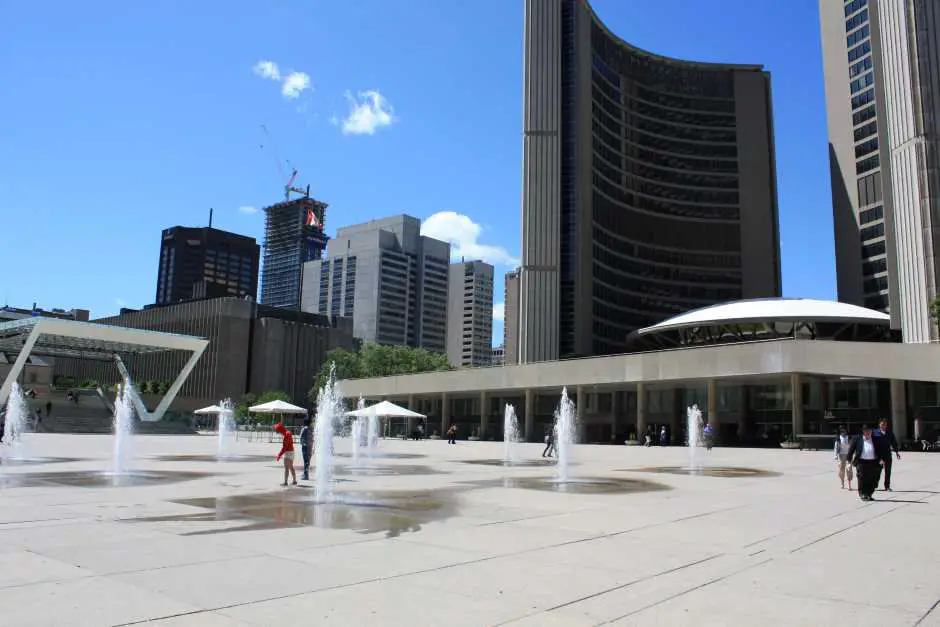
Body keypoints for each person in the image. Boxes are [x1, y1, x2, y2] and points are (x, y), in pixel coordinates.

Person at [847, 424, 881, 501]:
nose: (868, 432)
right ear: (863, 432)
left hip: (873, 462)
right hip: (861, 462)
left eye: (869, 431)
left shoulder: (875, 439)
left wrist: (881, 459)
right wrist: (849, 460)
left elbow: (880, 450)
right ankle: (862, 493)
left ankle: (869, 494)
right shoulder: (858, 439)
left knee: (872, 479)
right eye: (866, 431)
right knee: (862, 478)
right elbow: (851, 450)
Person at [874, 419, 900, 491]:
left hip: (887, 454)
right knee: (878, 471)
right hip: (879, 455)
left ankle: (887, 486)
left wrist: (897, 452)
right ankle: (875, 484)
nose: (883, 426)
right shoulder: (875, 433)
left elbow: (894, 442)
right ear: (879, 425)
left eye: (885, 425)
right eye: (882, 424)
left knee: (888, 471)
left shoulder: (890, 433)